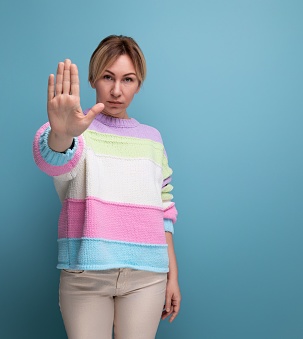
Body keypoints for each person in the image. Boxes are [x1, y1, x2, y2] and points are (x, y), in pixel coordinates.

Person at [33, 35, 180, 339]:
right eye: (107, 77)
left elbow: (165, 209)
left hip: (147, 277)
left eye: (128, 79)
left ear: (139, 83)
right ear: (92, 78)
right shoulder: (76, 131)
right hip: (85, 275)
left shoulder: (152, 139)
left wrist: (172, 276)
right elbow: (52, 158)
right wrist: (62, 135)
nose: (116, 90)